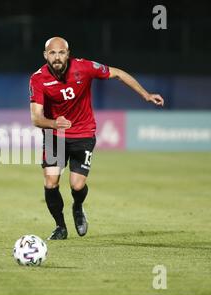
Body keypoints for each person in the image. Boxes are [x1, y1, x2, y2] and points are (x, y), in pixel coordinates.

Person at [29, 37, 164, 240]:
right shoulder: (38, 79)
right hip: (54, 134)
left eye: (61, 52)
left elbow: (117, 73)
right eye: (52, 53)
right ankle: (60, 227)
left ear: (68, 53)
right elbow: (36, 118)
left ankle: (78, 206)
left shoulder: (84, 67)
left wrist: (145, 94)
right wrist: (54, 123)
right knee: (50, 182)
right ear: (45, 55)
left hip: (83, 133)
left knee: (77, 185)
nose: (57, 57)